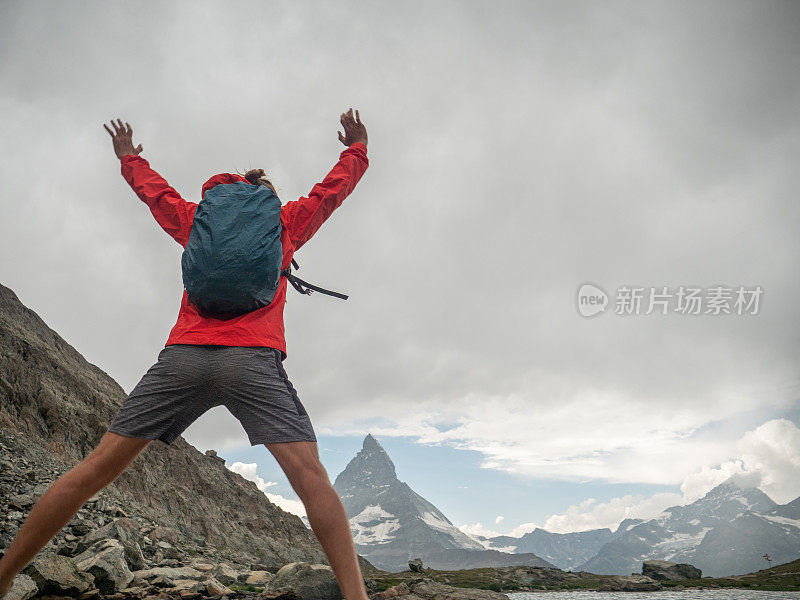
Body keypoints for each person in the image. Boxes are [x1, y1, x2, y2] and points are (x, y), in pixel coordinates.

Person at [0, 109, 371, 600]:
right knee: (310, 479)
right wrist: (357, 149)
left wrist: (130, 158)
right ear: (265, 196)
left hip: (184, 356)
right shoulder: (285, 222)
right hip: (252, 361)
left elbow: (156, 194)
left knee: (92, 472)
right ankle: (356, 597)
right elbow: (332, 192)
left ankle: (2, 578)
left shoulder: (197, 220)